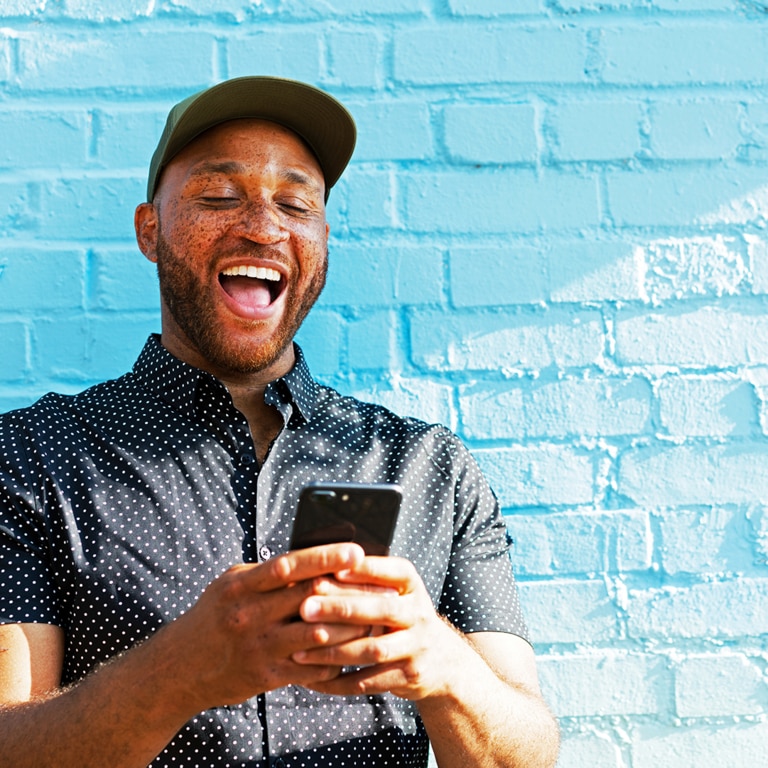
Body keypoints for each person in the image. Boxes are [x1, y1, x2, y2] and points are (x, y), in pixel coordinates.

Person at [0, 76, 559, 767]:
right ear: (150, 230)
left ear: (320, 239)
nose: (263, 226)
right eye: (218, 196)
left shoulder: (431, 468)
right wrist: (177, 672)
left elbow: (523, 755)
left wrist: (440, 661)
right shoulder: (29, 457)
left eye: (295, 203)